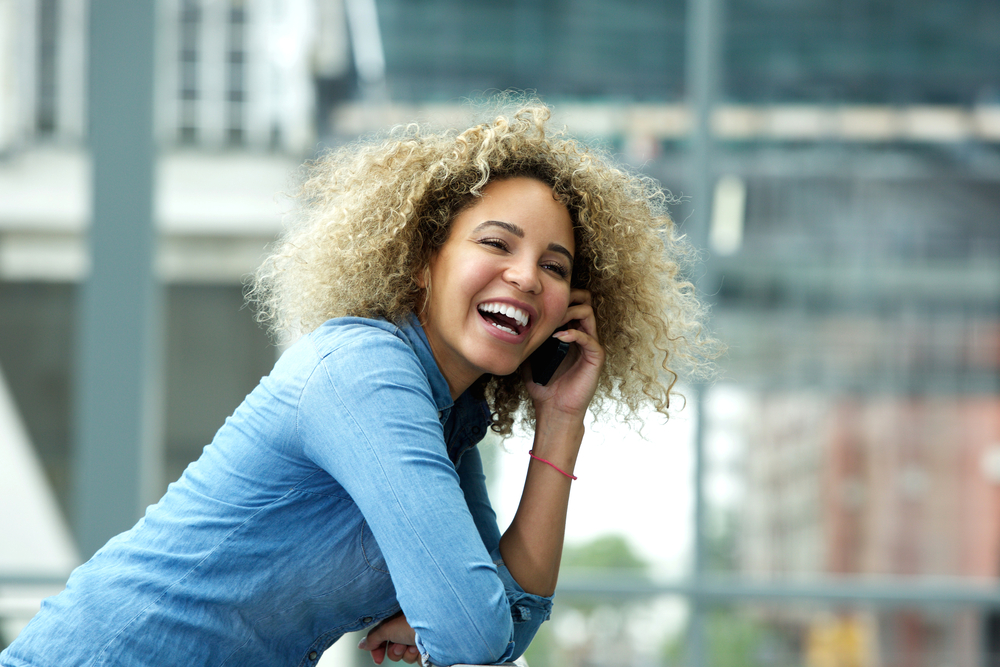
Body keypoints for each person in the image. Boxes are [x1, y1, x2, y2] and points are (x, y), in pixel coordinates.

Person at [0, 100, 716, 667]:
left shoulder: (449, 421)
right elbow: (470, 626)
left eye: (555, 267)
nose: (527, 275)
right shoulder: (363, 374)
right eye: (496, 243)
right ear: (421, 263)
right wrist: (461, 605)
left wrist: (561, 421)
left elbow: (505, 623)